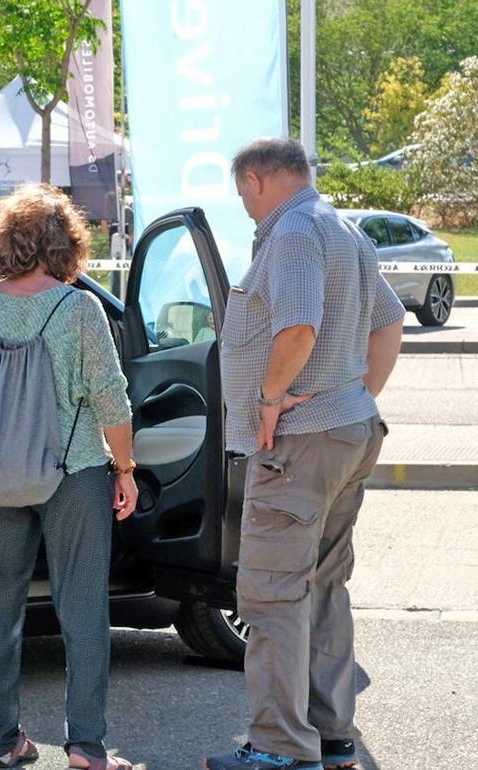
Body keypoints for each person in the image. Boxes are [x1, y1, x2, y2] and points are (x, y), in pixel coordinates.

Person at [0, 184, 138, 770]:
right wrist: (126, 468)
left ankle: (2, 743)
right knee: (82, 608)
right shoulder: (79, 308)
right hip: (76, 473)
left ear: (4, 241)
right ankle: (87, 748)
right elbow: (112, 402)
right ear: (66, 245)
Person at [204, 138, 404, 770]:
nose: (245, 207)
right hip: (348, 431)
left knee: (271, 595)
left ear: (257, 180)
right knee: (323, 586)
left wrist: (269, 397)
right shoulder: (344, 229)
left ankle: (280, 750)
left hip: (298, 442)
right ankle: (332, 733)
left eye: (242, 194)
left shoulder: (290, 233)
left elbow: (297, 328)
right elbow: (389, 321)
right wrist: (355, 394)